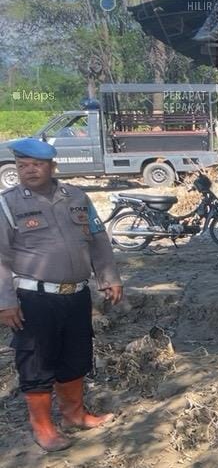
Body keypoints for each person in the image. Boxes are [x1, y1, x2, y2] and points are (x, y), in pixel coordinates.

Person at [0, 138, 123, 452]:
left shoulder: (77, 197)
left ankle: (74, 416)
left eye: (36, 164)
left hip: (77, 296)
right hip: (34, 300)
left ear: (52, 166)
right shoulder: (7, 204)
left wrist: (108, 278)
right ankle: (43, 428)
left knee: (76, 357)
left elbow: (98, 239)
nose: (29, 170)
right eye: (22, 165)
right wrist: (5, 301)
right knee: (36, 362)